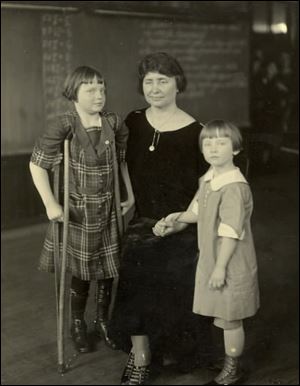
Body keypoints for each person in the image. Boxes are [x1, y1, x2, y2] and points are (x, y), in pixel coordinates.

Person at [108, 52, 211, 385]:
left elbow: (205, 184)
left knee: (174, 273)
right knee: (135, 264)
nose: (154, 88)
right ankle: (140, 357)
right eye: (148, 81)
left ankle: (170, 346)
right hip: (144, 220)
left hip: (181, 223)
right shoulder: (134, 120)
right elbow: (124, 163)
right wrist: (132, 196)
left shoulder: (197, 130)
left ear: (177, 84)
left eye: (162, 81)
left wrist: (185, 219)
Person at [29, 66, 128, 353]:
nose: (99, 95)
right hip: (77, 212)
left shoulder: (114, 123)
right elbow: (37, 165)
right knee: (82, 271)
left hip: (108, 209)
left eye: (102, 88)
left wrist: (130, 196)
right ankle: (77, 324)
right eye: (91, 89)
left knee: (110, 269)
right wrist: (50, 202)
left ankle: (103, 321)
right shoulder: (64, 126)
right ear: (74, 93)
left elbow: (121, 163)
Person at [155, 120, 260, 385]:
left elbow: (230, 232)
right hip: (213, 258)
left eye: (221, 142)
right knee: (220, 313)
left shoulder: (234, 187)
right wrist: (173, 219)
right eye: (208, 142)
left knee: (230, 318)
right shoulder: (209, 178)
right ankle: (224, 361)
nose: (213, 148)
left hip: (230, 261)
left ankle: (232, 369)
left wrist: (221, 267)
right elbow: (196, 212)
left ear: (235, 150)